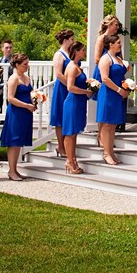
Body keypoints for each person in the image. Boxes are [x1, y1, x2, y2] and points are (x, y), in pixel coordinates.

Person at [0, 53, 36, 181]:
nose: (27, 66)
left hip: (26, 112)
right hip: (16, 112)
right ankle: (11, 171)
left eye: (27, 63)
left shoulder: (27, 77)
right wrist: (26, 105)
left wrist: (34, 101)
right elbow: (10, 98)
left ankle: (15, 169)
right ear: (17, 65)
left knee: (20, 141)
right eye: (25, 64)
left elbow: (30, 92)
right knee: (14, 141)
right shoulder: (13, 78)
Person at [96, 34, 128, 165]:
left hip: (118, 94)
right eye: (118, 42)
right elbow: (104, 78)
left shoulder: (118, 59)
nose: (120, 45)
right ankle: (106, 153)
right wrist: (119, 90)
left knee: (113, 124)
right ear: (111, 44)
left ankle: (111, 152)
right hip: (109, 93)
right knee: (107, 124)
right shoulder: (106, 58)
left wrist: (127, 86)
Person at [61, 41, 90, 174]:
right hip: (73, 101)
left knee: (74, 134)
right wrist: (85, 91)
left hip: (79, 102)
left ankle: (73, 159)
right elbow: (70, 87)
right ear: (77, 51)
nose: (84, 52)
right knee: (70, 133)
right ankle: (69, 161)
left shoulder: (77, 66)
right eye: (82, 50)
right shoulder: (72, 67)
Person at [49, 29, 75, 158]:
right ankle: (60, 145)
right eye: (71, 39)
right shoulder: (59, 54)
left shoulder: (71, 53)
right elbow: (58, 74)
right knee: (60, 117)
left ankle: (66, 144)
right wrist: (69, 85)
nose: (73, 42)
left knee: (68, 116)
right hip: (62, 87)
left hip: (70, 87)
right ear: (65, 41)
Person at [93, 15, 121, 81]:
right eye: (116, 25)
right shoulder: (101, 39)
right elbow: (97, 59)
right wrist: (108, 69)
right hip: (103, 72)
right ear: (109, 25)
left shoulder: (117, 40)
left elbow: (120, 57)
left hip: (115, 72)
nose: (118, 27)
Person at [0, 38, 14, 112]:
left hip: (9, 83)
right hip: (0, 82)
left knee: (1, 94)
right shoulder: (1, 59)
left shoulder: (13, 59)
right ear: (2, 49)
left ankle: (4, 113)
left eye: (10, 47)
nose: (9, 49)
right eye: (7, 48)